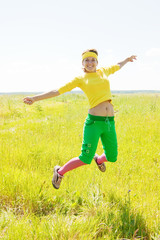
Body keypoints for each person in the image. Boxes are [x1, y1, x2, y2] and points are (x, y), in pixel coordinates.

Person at [23, 49, 136, 189]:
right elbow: (57, 91)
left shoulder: (103, 72)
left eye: (93, 60)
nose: (90, 62)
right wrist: (35, 98)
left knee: (112, 156)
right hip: (94, 123)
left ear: (97, 62)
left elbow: (117, 65)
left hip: (109, 123)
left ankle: (99, 160)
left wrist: (127, 59)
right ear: (83, 63)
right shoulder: (80, 79)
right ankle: (59, 172)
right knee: (85, 158)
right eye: (87, 60)